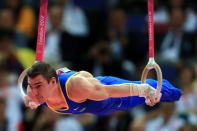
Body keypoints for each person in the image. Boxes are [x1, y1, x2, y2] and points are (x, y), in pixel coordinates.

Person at [24, 62, 182, 115]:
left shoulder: (76, 87)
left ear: (53, 82)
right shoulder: (34, 92)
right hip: (95, 105)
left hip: (108, 95)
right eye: (31, 86)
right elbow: (37, 96)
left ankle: (177, 94)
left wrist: (144, 90)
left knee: (161, 91)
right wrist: (35, 102)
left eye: (38, 86)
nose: (34, 91)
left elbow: (109, 92)